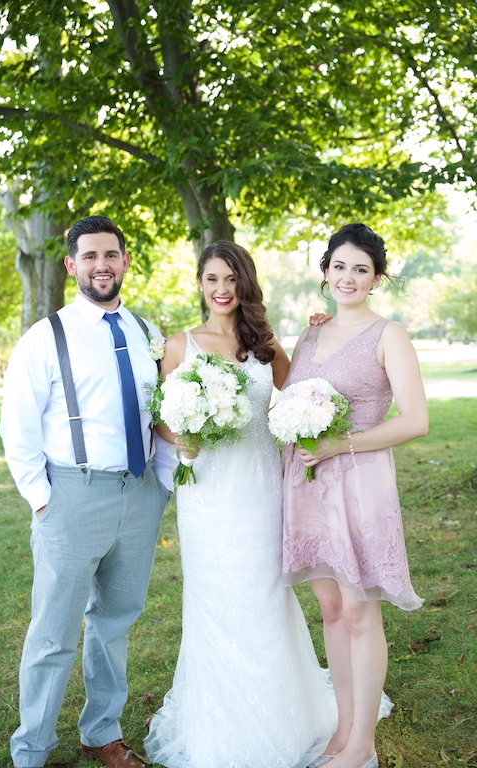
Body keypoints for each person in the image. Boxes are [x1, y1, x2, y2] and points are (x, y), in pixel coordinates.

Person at [143, 240, 342, 768]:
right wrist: (180, 437)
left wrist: (318, 332)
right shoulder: (180, 344)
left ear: (245, 282)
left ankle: (288, 714)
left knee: (266, 593)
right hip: (208, 493)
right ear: (200, 283)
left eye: (231, 279)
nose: (222, 290)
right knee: (215, 597)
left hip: (261, 488)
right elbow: (160, 415)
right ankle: (221, 725)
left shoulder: (263, 343)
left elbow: (303, 386)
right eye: (212, 279)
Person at [0, 215, 176, 768]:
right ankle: (31, 749)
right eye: (90, 257)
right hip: (71, 496)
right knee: (52, 634)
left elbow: (162, 416)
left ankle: (102, 734)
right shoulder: (45, 336)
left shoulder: (147, 334)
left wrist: (162, 485)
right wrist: (42, 498)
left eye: (112, 255)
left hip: (139, 493)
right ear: (72, 265)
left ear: (126, 262)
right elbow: (17, 425)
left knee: (115, 623)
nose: (103, 265)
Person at [282, 223, 428, 768]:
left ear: (377, 278)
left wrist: (341, 443)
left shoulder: (390, 335)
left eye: (360, 269)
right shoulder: (310, 335)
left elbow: (416, 420)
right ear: (325, 272)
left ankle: (363, 743)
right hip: (308, 486)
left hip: (360, 484)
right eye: (339, 266)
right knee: (330, 608)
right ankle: (342, 731)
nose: (348, 277)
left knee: (361, 612)